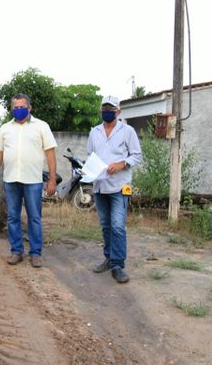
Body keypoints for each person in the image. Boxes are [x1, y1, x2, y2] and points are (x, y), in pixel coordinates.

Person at [0, 93, 57, 268]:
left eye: (22, 107)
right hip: (11, 180)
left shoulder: (41, 127)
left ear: (29, 108)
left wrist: (52, 180)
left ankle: (35, 253)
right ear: (12, 109)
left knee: (34, 217)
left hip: (33, 180)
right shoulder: (5, 129)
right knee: (12, 217)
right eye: (15, 107)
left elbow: (50, 154)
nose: (18, 110)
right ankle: (16, 251)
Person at [87, 95, 142, 283]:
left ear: (118, 112)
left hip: (120, 186)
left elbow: (136, 156)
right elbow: (91, 156)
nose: (107, 112)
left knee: (118, 226)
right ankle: (109, 258)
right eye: (104, 108)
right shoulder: (94, 132)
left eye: (111, 109)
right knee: (105, 225)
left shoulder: (128, 131)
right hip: (100, 186)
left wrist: (122, 164)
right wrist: (87, 170)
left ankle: (118, 265)